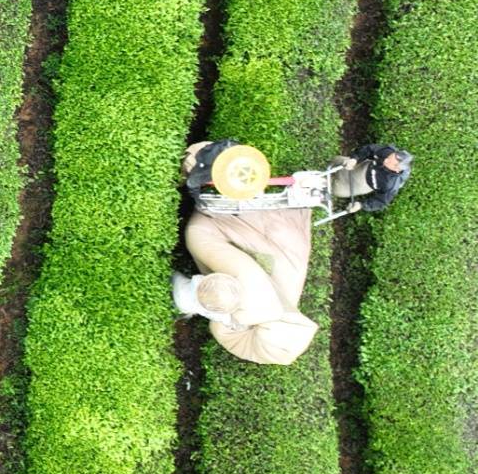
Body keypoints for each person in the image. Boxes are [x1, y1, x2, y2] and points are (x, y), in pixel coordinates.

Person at [173, 205, 319, 364]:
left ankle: (194, 295)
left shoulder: (264, 311)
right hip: (261, 214)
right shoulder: (257, 302)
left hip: (279, 214)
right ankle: (192, 294)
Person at [336, 143, 412, 214]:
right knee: (337, 161)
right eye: (389, 157)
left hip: (364, 184)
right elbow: (369, 149)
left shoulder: (390, 185)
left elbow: (381, 201)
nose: (386, 159)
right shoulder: (387, 152)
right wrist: (355, 159)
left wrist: (361, 205)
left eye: (389, 162)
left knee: (337, 190)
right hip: (364, 167)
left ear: (397, 169)